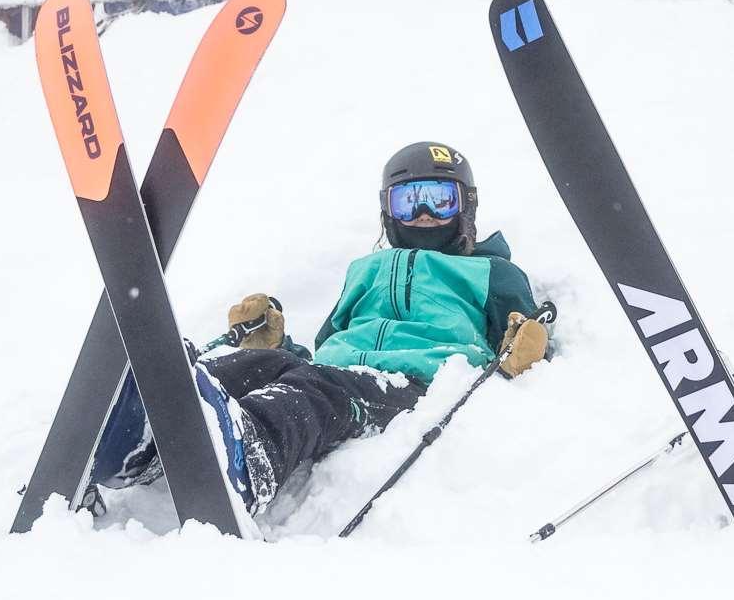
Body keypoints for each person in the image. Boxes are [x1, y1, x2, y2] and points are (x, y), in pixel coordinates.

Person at [92, 141, 550, 514]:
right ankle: (147, 433)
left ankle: (255, 459)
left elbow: (523, 341)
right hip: (340, 369)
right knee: (261, 364)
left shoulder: (492, 271)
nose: (424, 213)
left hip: (414, 382)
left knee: (315, 393)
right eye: (409, 201)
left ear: (465, 207)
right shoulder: (364, 270)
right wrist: (279, 347)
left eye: (439, 199)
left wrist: (527, 353)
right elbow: (328, 346)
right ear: (388, 211)